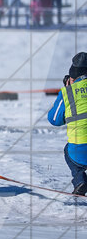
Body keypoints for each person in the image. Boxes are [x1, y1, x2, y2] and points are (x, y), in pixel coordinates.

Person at [47, 52, 87, 195]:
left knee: (68, 150)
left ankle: (80, 180)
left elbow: (54, 120)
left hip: (79, 152)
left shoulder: (68, 92)